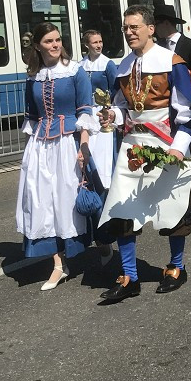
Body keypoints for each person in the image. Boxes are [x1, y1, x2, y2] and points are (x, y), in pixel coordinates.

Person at [96, 5, 191, 300]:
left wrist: (179, 148)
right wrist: (112, 117)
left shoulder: (171, 61)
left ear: (150, 29)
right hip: (132, 145)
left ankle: (176, 267)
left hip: (166, 143)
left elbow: (188, 111)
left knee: (172, 206)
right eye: (125, 28)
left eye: (134, 27)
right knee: (123, 207)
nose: (129, 32)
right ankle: (130, 276)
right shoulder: (123, 65)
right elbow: (121, 106)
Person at [17, 22, 97, 291]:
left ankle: (103, 244)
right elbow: (31, 116)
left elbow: (86, 109)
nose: (55, 45)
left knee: (71, 200)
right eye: (49, 41)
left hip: (68, 142)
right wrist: (28, 155)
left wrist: (83, 148)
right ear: (38, 45)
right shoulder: (33, 77)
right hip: (40, 146)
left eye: (58, 40)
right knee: (43, 202)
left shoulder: (75, 72)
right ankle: (58, 264)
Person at [152, 3, 191, 232]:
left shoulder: (189, 45)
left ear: (165, 23)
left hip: (184, 108)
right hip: (165, 113)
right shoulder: (156, 48)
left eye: (156, 24)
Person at [78, 30, 119, 254]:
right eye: (94, 42)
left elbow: (115, 90)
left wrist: (108, 108)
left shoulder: (108, 64)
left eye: (101, 41)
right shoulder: (80, 66)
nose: (99, 45)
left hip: (103, 118)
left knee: (102, 165)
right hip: (87, 117)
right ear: (87, 45)